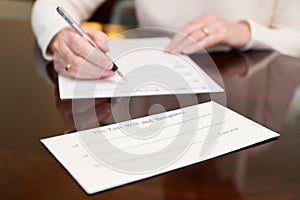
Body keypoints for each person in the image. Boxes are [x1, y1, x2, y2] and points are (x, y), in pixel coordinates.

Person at [31, 0, 300, 79]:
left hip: (248, 79)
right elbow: (54, 4)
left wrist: (246, 32)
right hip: (155, 90)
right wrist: (61, 37)